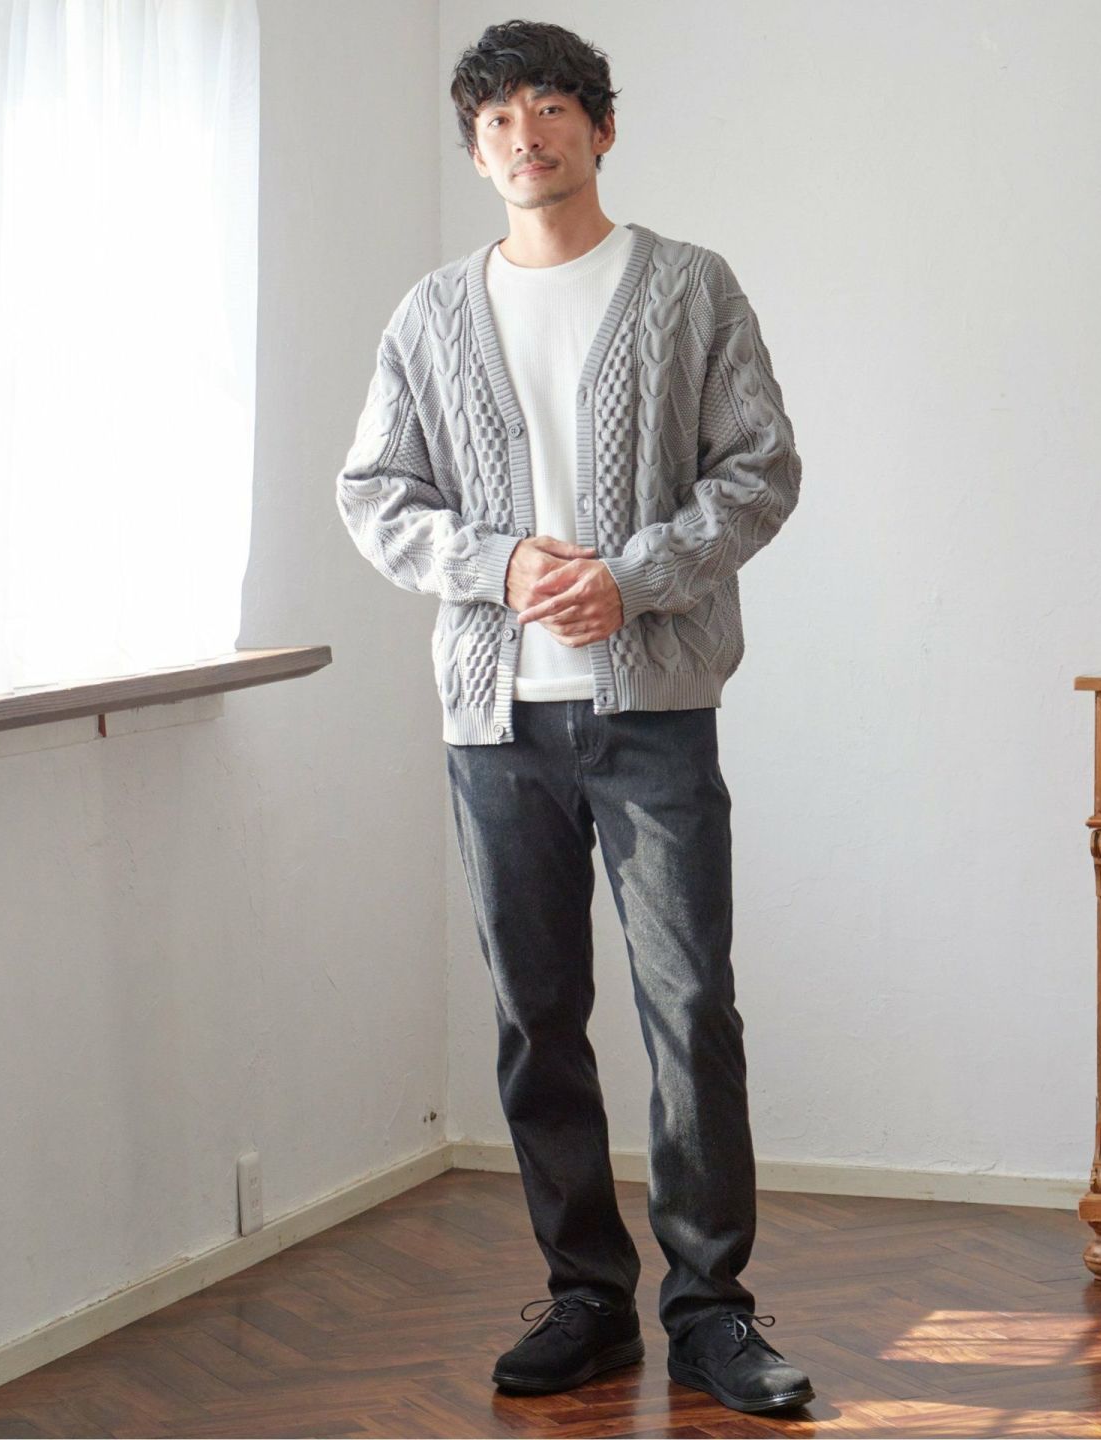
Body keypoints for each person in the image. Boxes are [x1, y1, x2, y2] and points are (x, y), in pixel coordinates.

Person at [335, 16, 814, 1420]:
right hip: (495, 723)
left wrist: (634, 577)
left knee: (689, 1006)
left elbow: (761, 469)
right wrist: (496, 566)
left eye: (549, 107)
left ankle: (712, 1310)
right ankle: (587, 1299)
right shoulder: (430, 315)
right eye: (496, 119)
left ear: (602, 127)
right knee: (536, 1013)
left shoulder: (688, 287)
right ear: (476, 151)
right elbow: (375, 494)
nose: (524, 135)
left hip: (654, 708)